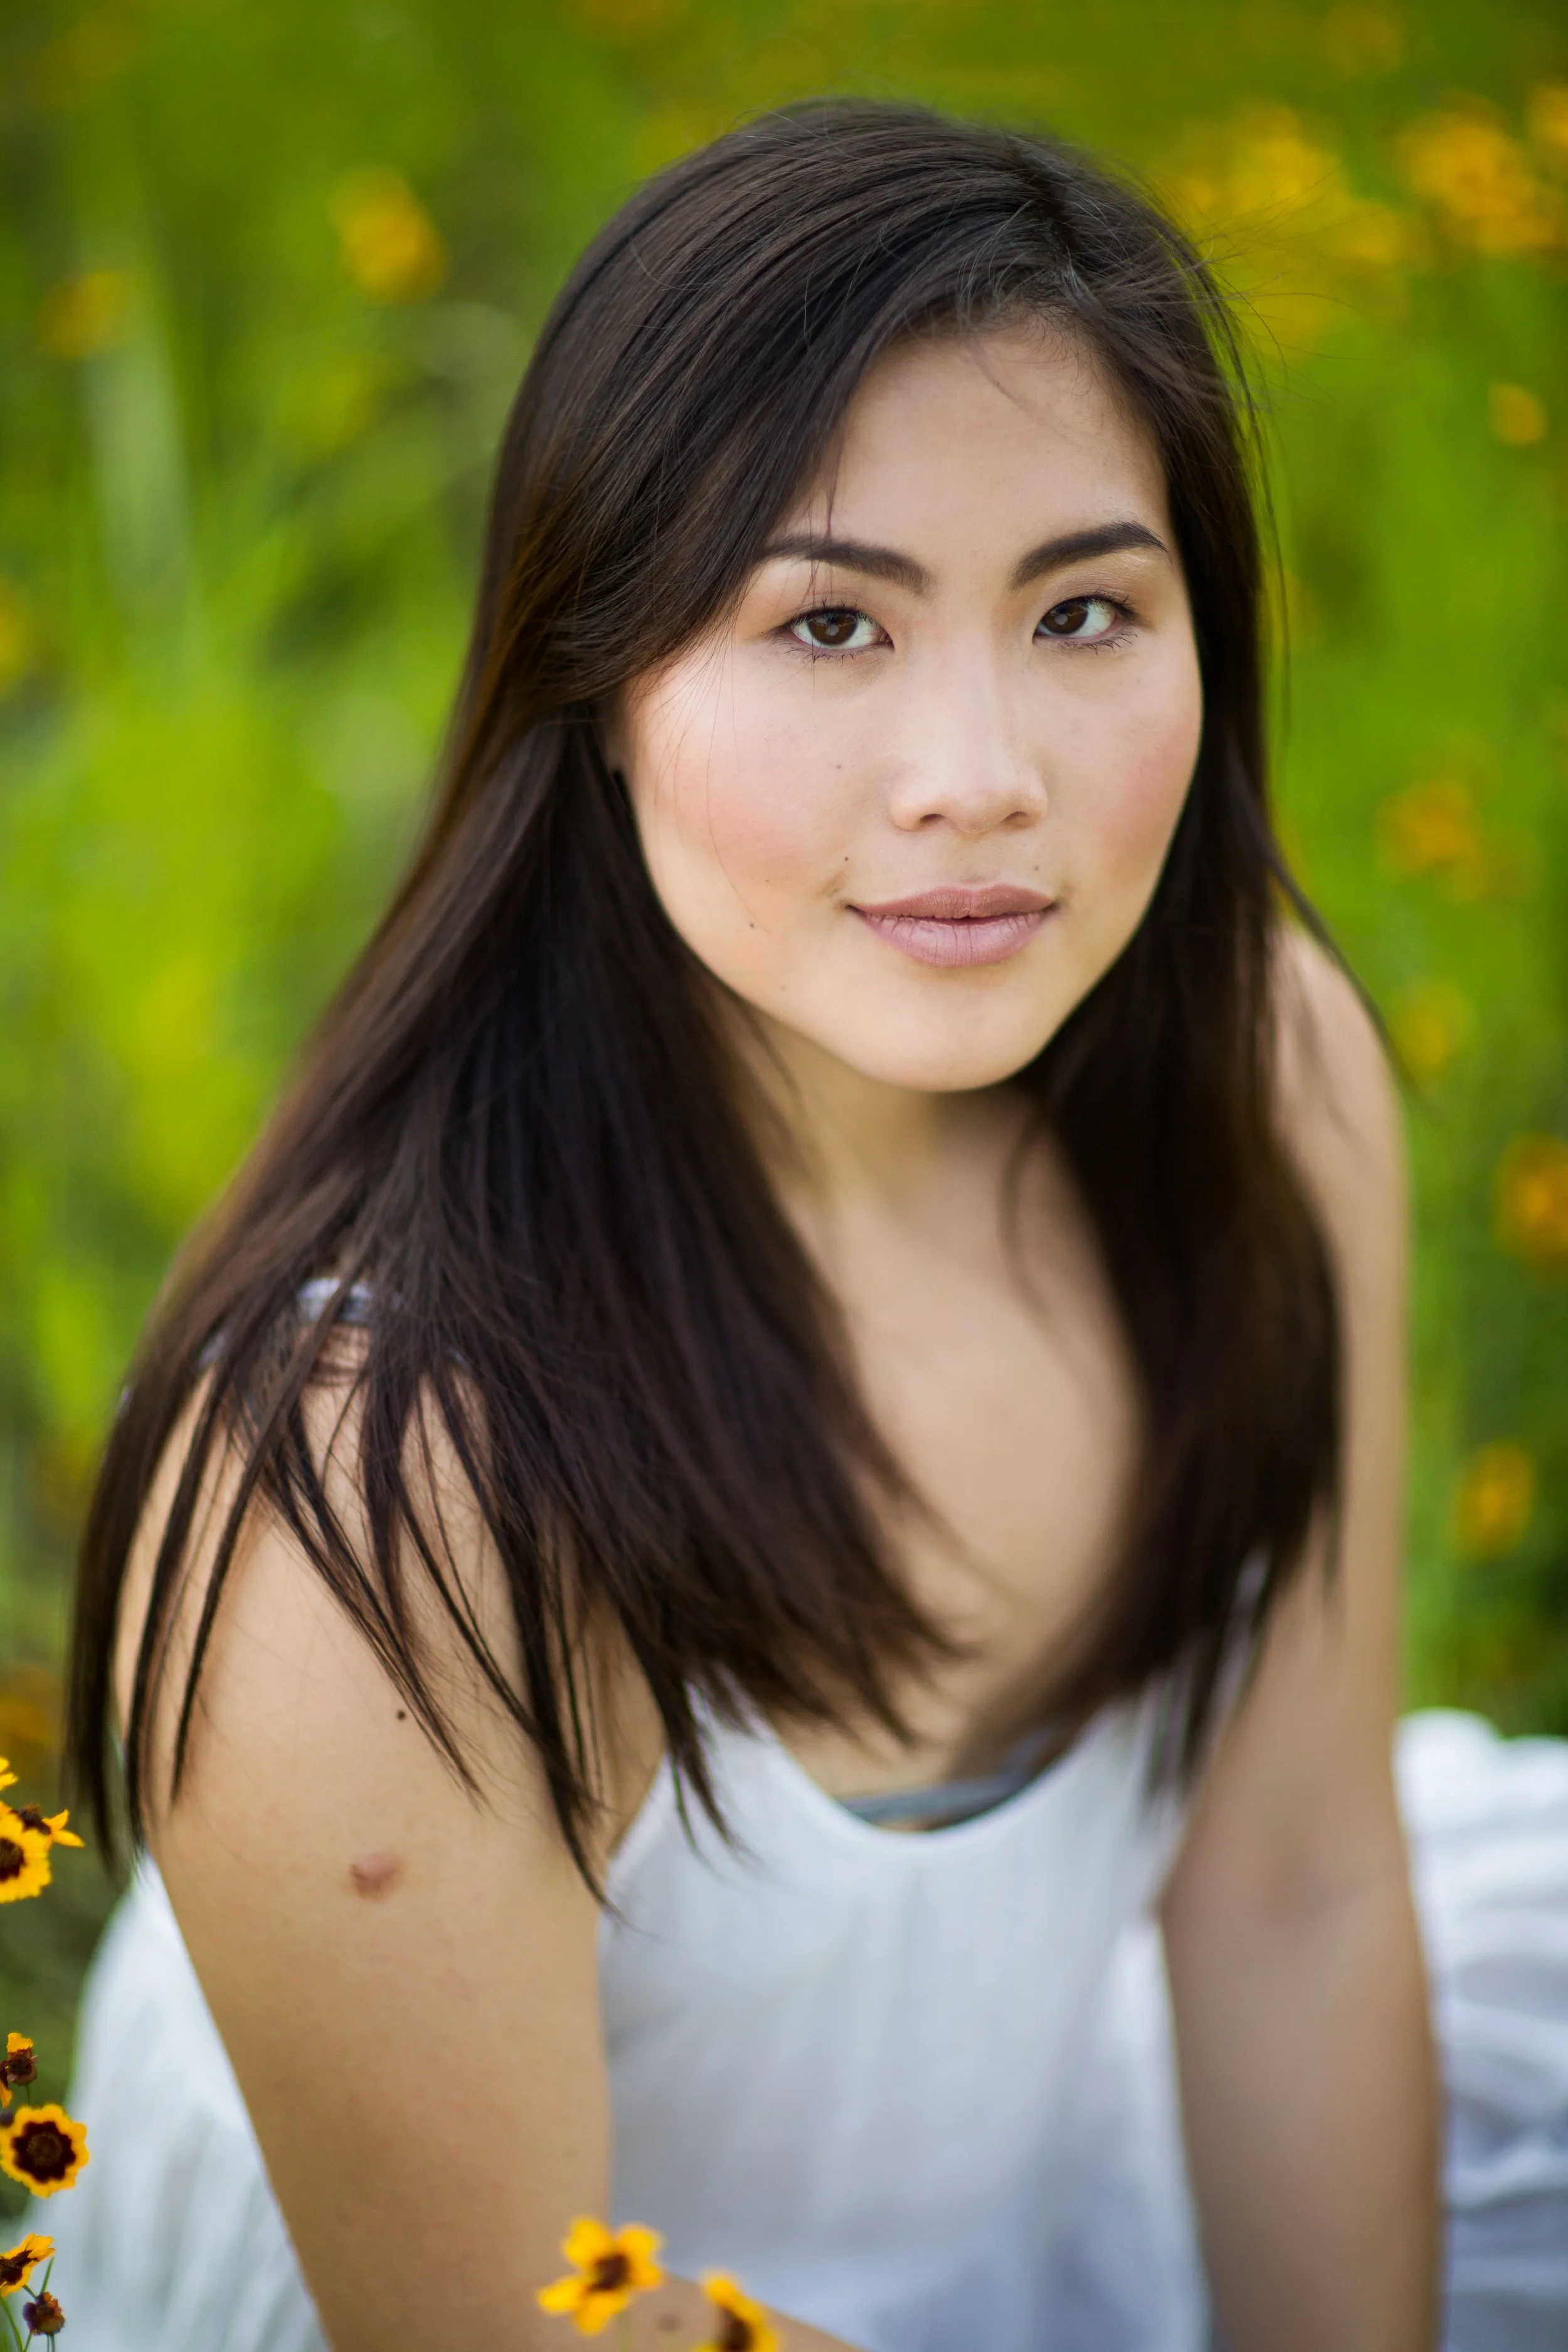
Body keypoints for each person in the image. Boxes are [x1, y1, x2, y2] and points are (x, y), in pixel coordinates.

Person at [48, 103, 1568, 2352]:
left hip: (1031, 2144)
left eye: (1081, 610)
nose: (979, 774)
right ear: (596, 680)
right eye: (830, 622)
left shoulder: (1261, 1076)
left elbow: (1293, 1886)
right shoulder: (387, 1476)